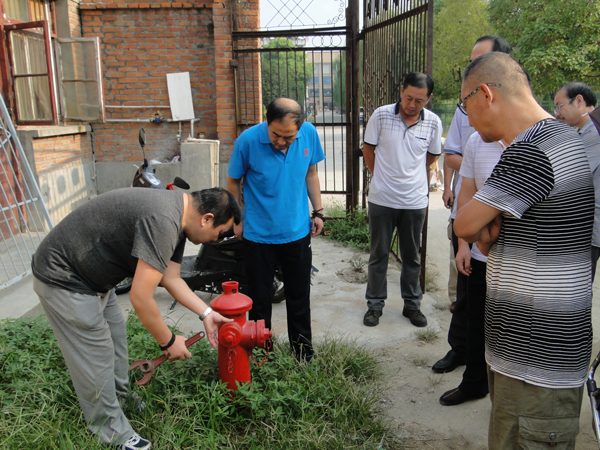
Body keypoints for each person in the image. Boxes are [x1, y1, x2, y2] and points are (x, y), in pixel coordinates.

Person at [454, 52, 594, 449]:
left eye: (465, 105)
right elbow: (486, 233)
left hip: (536, 359)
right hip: (534, 352)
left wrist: (479, 232)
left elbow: (464, 225)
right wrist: (483, 234)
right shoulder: (564, 137)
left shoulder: (531, 151)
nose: (467, 119)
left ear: (485, 94)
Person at [32, 187, 241, 450]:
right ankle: (111, 432)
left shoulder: (180, 217)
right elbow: (140, 297)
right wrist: (168, 341)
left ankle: (119, 398)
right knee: (97, 353)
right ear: (206, 219)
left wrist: (207, 313)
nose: (215, 239)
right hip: (64, 276)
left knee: (116, 336)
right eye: (219, 233)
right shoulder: (163, 220)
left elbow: (171, 278)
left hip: (94, 279)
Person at [433, 35, 512, 374]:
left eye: (479, 61)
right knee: (467, 295)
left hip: (503, 243)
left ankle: (488, 366)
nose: (471, 69)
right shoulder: (470, 117)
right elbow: (452, 155)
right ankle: (462, 354)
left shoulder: (528, 136)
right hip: (470, 226)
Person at [227, 97, 325, 362]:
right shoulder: (247, 141)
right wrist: (238, 219)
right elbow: (233, 181)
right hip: (258, 235)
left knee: (299, 297)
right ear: (267, 122)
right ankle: (262, 355)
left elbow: (311, 173)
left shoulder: (309, 133)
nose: (281, 142)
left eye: (289, 137)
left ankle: (303, 353)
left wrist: (318, 211)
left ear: (300, 128)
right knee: (260, 300)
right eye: (276, 135)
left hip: (297, 232)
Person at [362, 72, 442, 328]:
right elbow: (368, 149)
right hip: (382, 200)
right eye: (409, 98)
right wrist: (380, 176)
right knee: (379, 254)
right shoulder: (381, 115)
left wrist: (412, 175)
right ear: (401, 91)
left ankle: (412, 305)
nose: (412, 105)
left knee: (411, 256)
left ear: (428, 99)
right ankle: (375, 306)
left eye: (419, 100)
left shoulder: (433, 122)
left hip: (414, 202)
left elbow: (432, 157)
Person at [439, 132, 505, 406]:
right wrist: (464, 243)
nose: (468, 119)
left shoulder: (536, 139)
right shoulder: (477, 141)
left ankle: (508, 395)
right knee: (476, 321)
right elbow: (466, 193)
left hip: (519, 262)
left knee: (510, 329)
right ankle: (474, 383)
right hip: (479, 254)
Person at [554, 82, 600, 279]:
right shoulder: (582, 133)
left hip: (587, 230)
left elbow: (569, 177)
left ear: (579, 101)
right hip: (585, 228)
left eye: (559, 106)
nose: (557, 113)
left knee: (577, 288)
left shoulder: (594, 133)